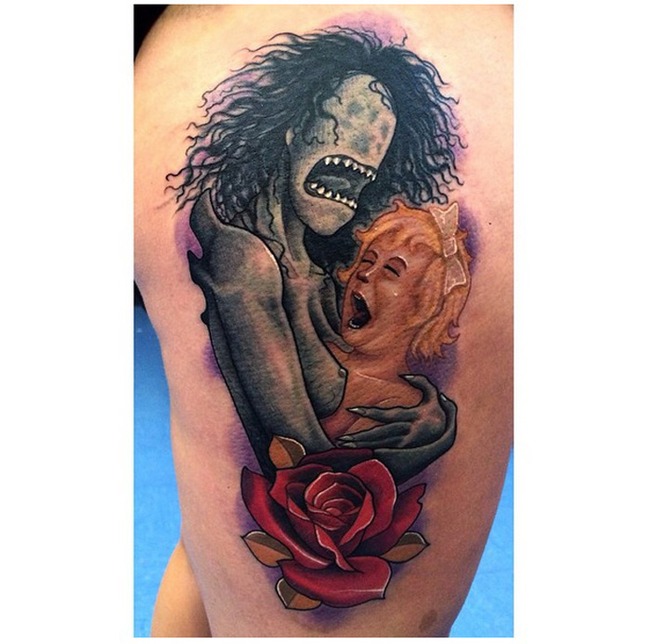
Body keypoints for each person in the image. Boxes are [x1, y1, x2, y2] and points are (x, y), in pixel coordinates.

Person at [135, 4, 513, 637]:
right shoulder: (248, 264)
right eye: (341, 122)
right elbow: (307, 456)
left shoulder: (305, 260)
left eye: (376, 139)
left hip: (174, 55)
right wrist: (431, 429)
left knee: (203, 550)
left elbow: (341, 375)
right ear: (290, 131)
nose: (363, 146)